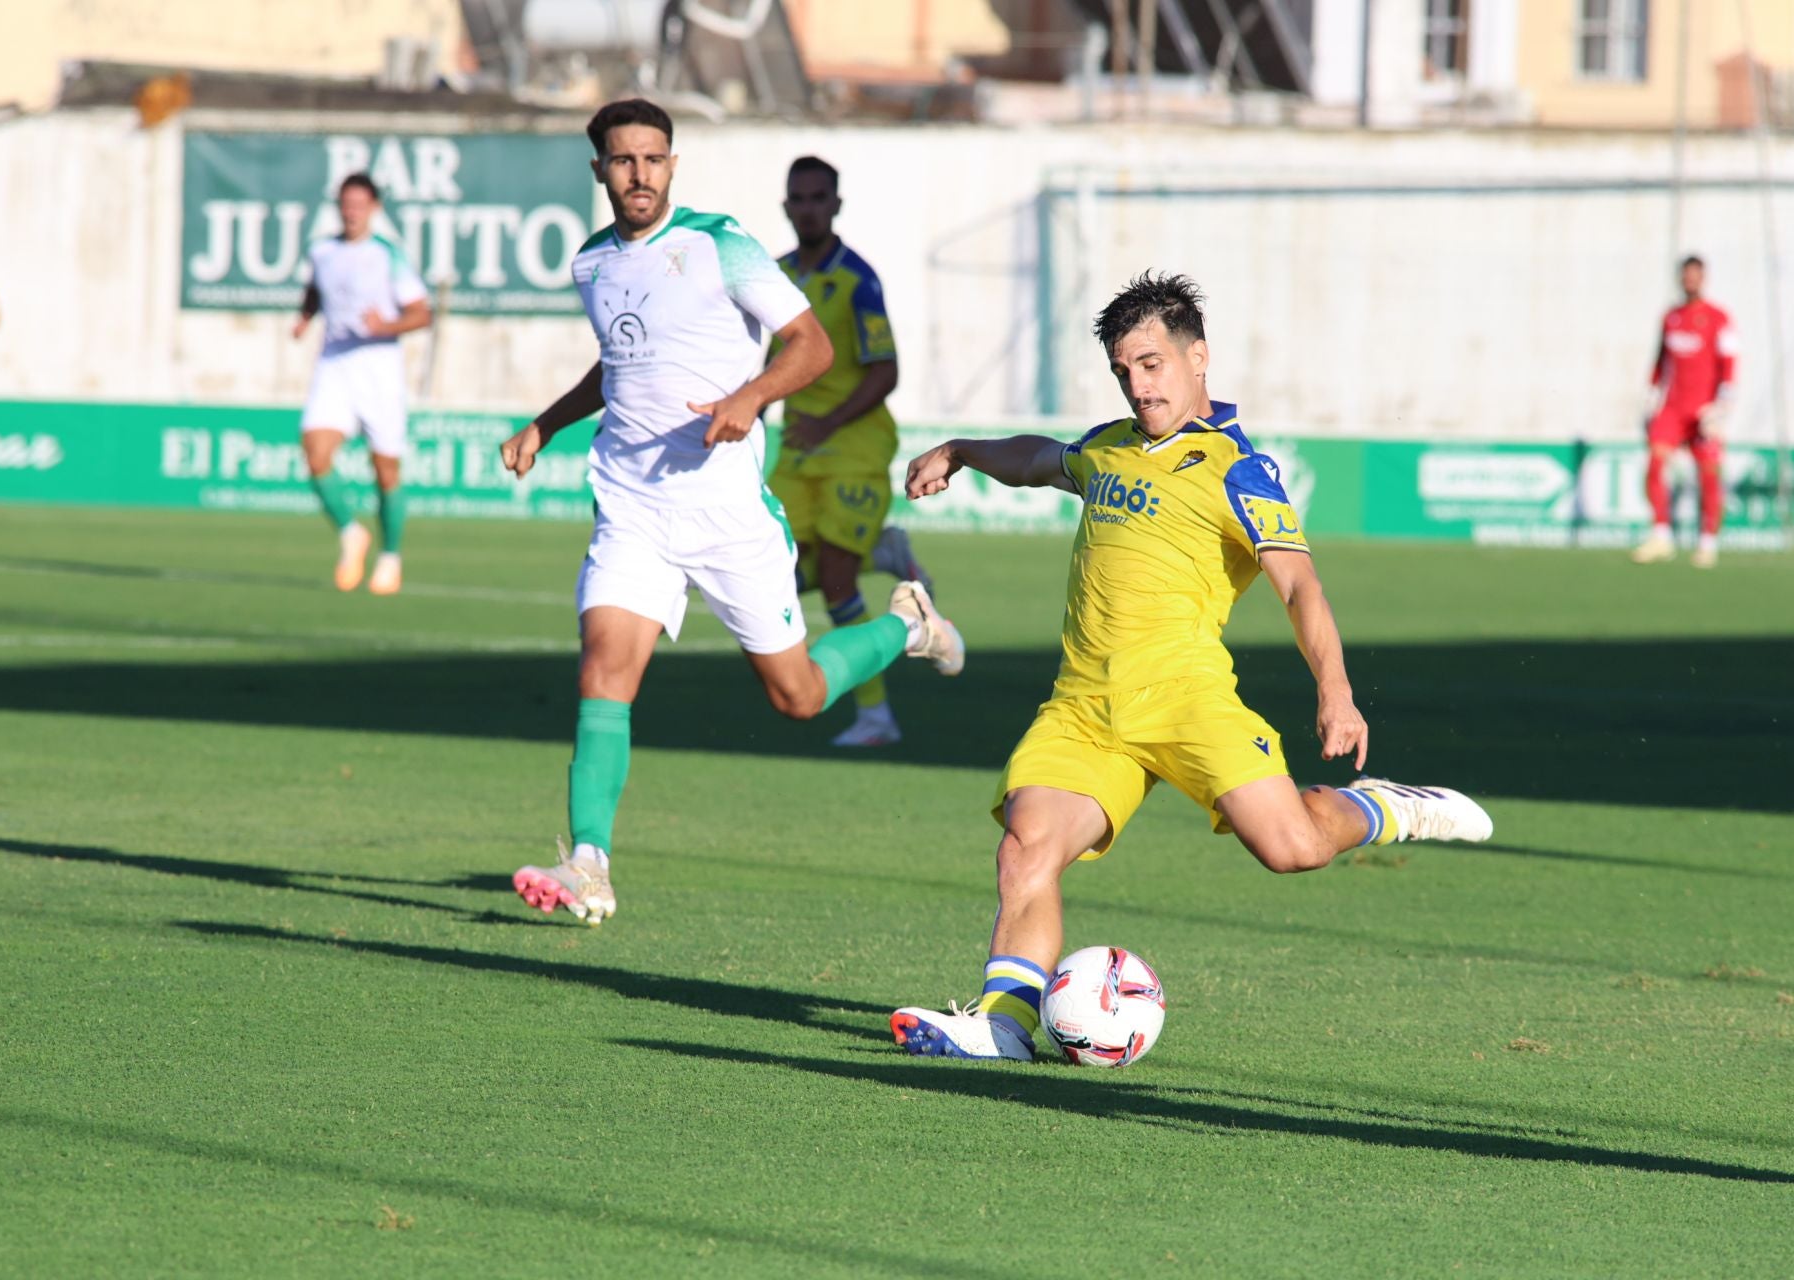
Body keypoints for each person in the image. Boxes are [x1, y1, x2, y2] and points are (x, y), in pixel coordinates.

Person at [887, 272, 1494, 1061]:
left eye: (1151, 365)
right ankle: (1004, 1024)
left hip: (1185, 698)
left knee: (1291, 850)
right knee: (1025, 846)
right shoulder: (1107, 449)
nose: (1139, 387)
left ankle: (1384, 807)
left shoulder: (1238, 469)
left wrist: (1336, 693)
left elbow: (1299, 584)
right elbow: (1039, 459)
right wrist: (963, 450)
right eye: (1123, 372)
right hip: (1083, 709)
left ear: (1197, 357)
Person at [498, 99, 964, 925]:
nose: (638, 174)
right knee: (604, 671)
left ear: (673, 165)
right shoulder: (591, 264)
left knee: (799, 695)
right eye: (621, 160)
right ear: (599, 169)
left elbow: (811, 345)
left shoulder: (721, 243)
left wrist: (751, 396)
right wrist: (544, 422)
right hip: (632, 505)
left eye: (653, 158)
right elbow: (618, 366)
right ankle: (590, 864)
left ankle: (908, 622)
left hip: (727, 513)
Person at [769, 155, 933, 747]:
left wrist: (828, 423)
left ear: (835, 205)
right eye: (799, 198)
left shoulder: (858, 279)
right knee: (780, 574)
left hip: (854, 447)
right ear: (786, 206)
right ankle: (880, 552)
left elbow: (885, 371)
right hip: (796, 452)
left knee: (835, 583)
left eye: (819, 198)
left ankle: (875, 716)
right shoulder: (776, 274)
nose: (809, 208)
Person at [291, 172, 431, 595]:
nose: (351, 211)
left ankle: (390, 555)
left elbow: (422, 313)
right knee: (315, 451)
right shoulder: (322, 251)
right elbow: (316, 291)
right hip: (334, 365)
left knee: (384, 470)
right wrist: (305, 316)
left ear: (374, 208)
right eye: (345, 204)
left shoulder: (388, 255)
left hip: (378, 369)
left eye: (359, 204)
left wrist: (386, 325)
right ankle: (352, 533)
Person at [1631, 255, 1735, 570]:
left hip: (1703, 412)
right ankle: (1661, 535)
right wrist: (1651, 395)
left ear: (1704, 278)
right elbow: (1660, 358)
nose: (1690, 281)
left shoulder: (1718, 318)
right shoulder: (1671, 317)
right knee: (1654, 464)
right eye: (1686, 276)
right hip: (1673, 409)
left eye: (1696, 276)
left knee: (1708, 477)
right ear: (1680, 278)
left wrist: (1722, 404)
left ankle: (1707, 544)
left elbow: (1729, 363)